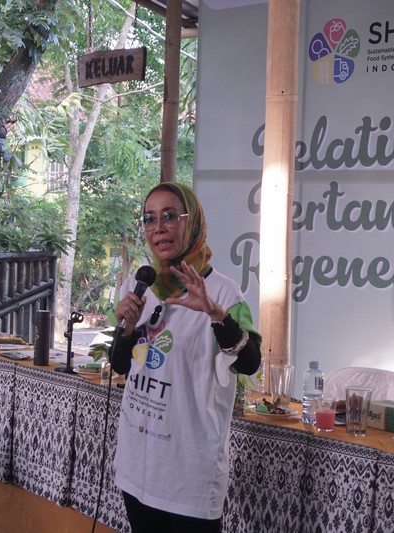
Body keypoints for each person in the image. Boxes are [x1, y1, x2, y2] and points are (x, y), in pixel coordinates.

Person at [110, 182, 261, 533]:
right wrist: (127, 328)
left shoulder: (223, 292)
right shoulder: (139, 285)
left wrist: (216, 315)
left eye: (169, 216)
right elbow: (120, 364)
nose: (158, 228)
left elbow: (249, 363)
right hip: (138, 463)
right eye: (149, 219)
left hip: (189, 475)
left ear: (191, 222)